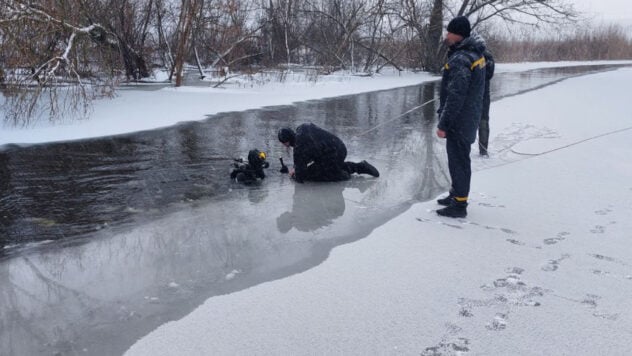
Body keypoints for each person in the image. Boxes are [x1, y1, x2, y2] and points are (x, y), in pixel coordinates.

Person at [435, 16, 486, 218]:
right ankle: (456, 195)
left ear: (458, 35)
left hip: (460, 120)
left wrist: (444, 123)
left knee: (458, 161)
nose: (447, 36)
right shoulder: (476, 54)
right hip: (469, 116)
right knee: (457, 159)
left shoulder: (462, 58)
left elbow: (456, 95)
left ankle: (459, 205)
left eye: (449, 32)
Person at [277, 123, 379, 183]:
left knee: (313, 174)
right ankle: (358, 166)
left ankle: (346, 173)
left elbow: (300, 177)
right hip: (339, 147)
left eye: (283, 143)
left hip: (332, 155)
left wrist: (292, 175)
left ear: (286, 142)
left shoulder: (299, 148)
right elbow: (310, 150)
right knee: (323, 166)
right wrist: (297, 166)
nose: (284, 145)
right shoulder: (303, 128)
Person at [478, 47, 495, 156]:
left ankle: (483, 150)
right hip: (481, 96)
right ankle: (483, 150)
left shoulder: (485, 56)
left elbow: (488, 75)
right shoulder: (485, 55)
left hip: (482, 95)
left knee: (483, 121)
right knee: (482, 121)